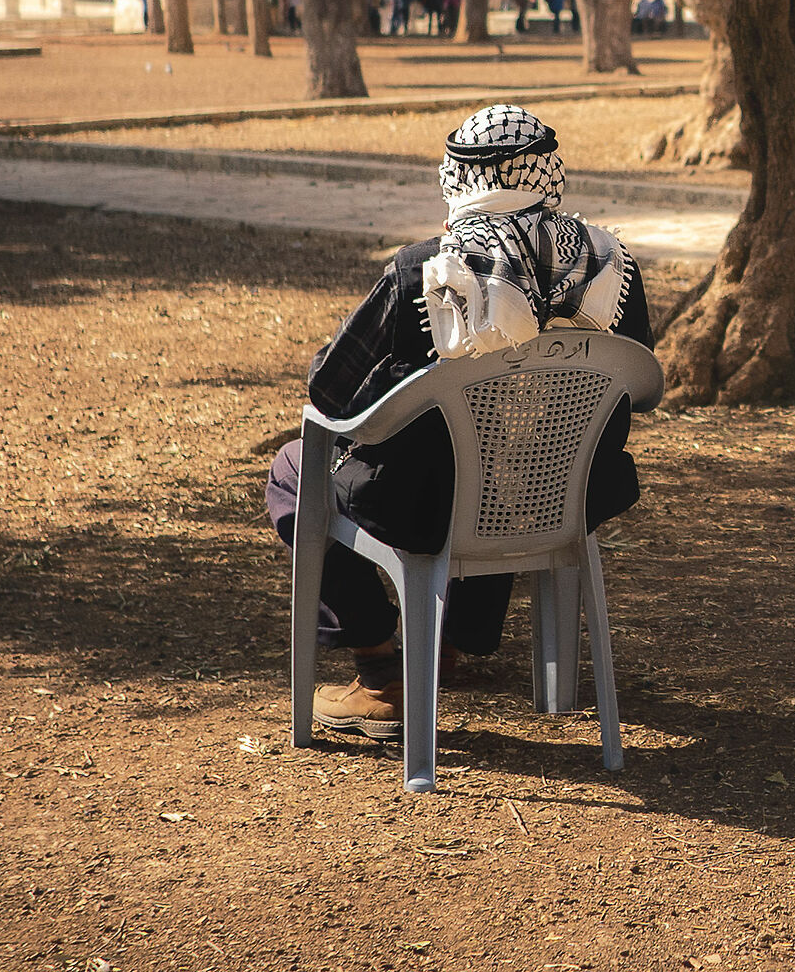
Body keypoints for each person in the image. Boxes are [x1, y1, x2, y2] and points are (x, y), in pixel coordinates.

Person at [265, 104, 652, 740]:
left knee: (293, 469)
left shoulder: (423, 270)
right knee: (500, 455)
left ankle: (380, 673)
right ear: (548, 174)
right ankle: (445, 645)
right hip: (564, 498)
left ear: (457, 178)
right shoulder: (615, 265)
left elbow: (330, 393)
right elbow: (636, 385)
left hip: (422, 508)